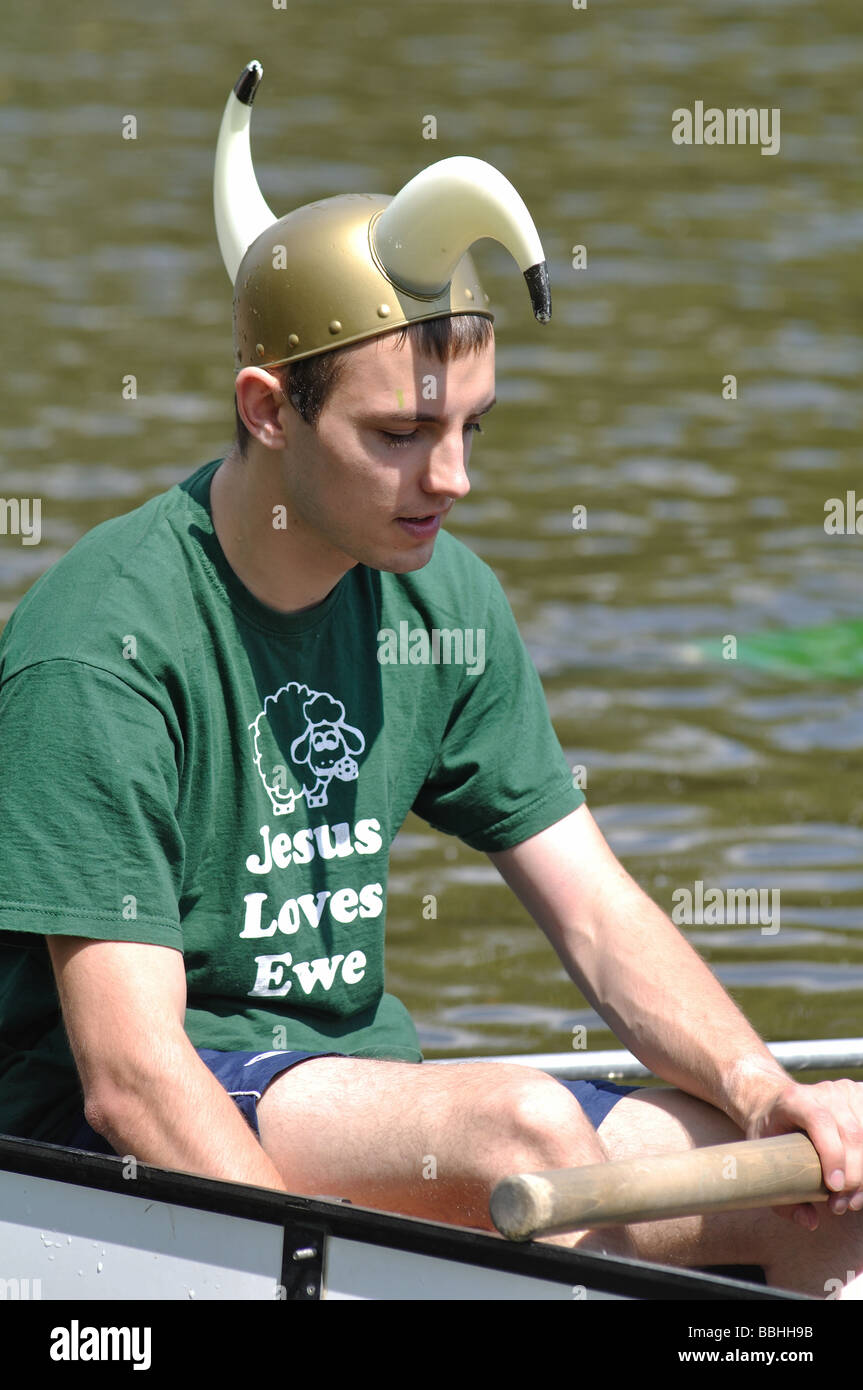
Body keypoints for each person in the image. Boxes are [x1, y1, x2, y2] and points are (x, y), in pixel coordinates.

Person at [1, 62, 861, 1299]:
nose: (450, 479)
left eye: (472, 426)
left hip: (352, 1098)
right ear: (266, 409)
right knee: (526, 1131)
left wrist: (760, 1086)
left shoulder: (442, 602)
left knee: (815, 1192)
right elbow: (130, 1077)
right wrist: (305, 1273)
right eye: (398, 436)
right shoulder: (101, 647)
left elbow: (601, 918)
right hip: (122, 1141)